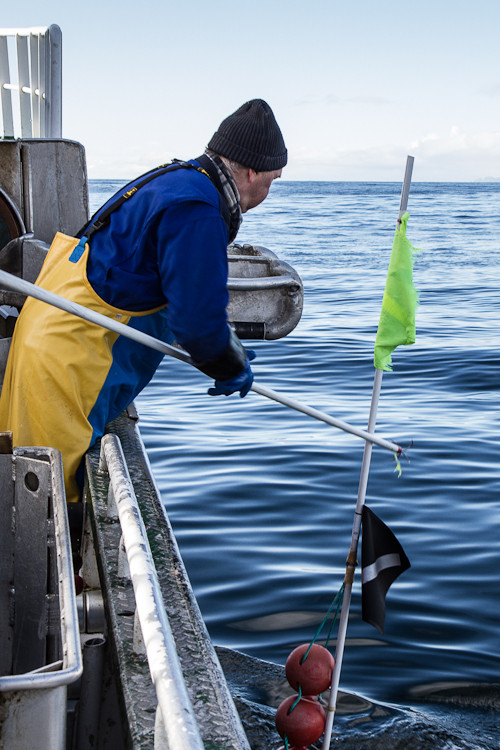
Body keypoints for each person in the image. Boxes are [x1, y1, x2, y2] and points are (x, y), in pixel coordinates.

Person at [0, 99, 287, 503]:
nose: (269, 191)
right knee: (49, 503)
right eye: (273, 180)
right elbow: (197, 325)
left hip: (44, 331)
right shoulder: (198, 210)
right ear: (253, 170)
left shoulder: (177, 178)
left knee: (15, 476)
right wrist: (229, 361)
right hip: (70, 365)